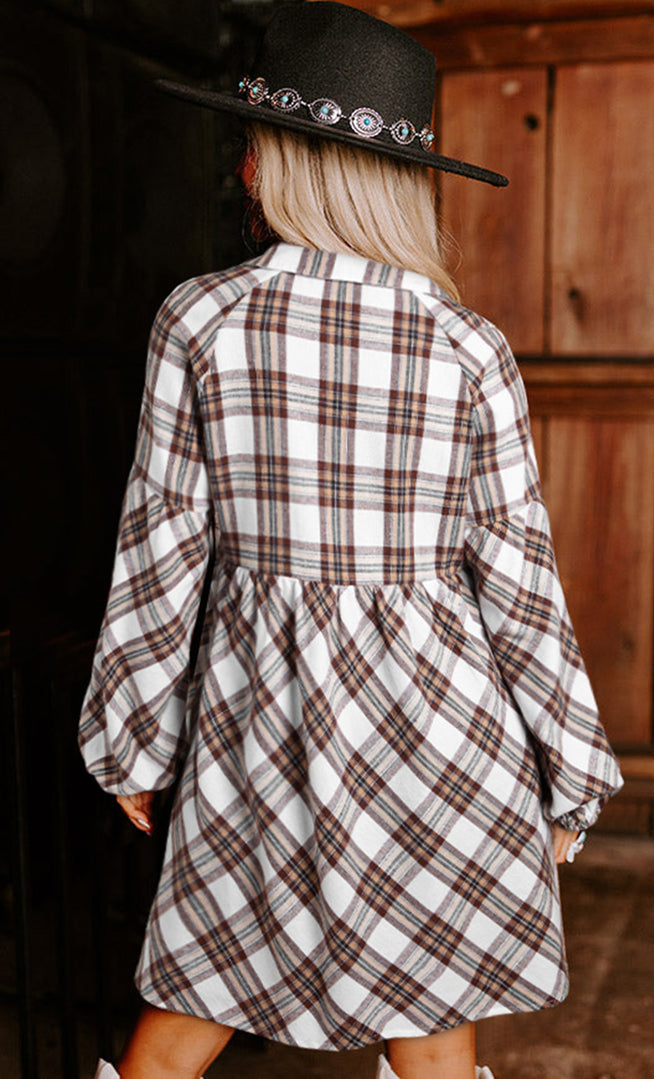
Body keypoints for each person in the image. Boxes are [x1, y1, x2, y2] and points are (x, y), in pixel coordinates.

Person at [79, 4, 623, 1078]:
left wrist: (132, 736)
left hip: (258, 724)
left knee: (191, 1001)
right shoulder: (467, 345)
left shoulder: (200, 320)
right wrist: (571, 763)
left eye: (252, 142)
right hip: (441, 735)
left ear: (272, 164)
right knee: (432, 1021)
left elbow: (161, 548)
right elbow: (518, 576)